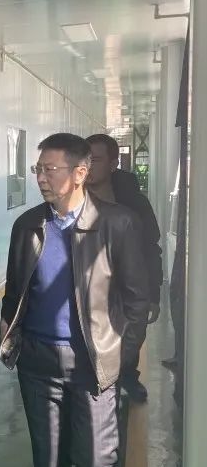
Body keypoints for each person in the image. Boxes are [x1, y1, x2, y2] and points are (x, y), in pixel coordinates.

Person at [0, 133, 149, 467]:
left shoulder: (116, 224)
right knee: (49, 455)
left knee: (97, 456)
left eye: (51, 169)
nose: (41, 178)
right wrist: (12, 335)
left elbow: (137, 300)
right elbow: (16, 290)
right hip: (38, 360)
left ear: (80, 173)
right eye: (38, 169)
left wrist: (121, 356)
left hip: (92, 360)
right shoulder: (28, 226)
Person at [86, 133, 162, 402]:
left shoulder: (134, 204)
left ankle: (128, 376)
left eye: (95, 159)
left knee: (127, 338)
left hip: (123, 289)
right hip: (86, 288)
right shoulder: (71, 201)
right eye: (84, 159)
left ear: (113, 164)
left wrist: (153, 294)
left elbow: (151, 249)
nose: (88, 165)